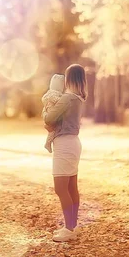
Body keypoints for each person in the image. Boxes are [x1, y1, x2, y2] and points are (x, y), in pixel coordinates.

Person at [43, 64, 87, 242]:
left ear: (69, 79)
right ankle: (72, 226)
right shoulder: (78, 98)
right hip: (73, 143)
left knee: (61, 188)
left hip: (65, 145)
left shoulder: (67, 98)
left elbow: (48, 118)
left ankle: (69, 228)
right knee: (71, 187)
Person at [41, 74, 65, 153]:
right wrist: (63, 99)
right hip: (52, 115)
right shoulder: (53, 95)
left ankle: (48, 143)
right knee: (52, 131)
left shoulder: (48, 94)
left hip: (48, 113)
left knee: (51, 131)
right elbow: (58, 101)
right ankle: (48, 143)